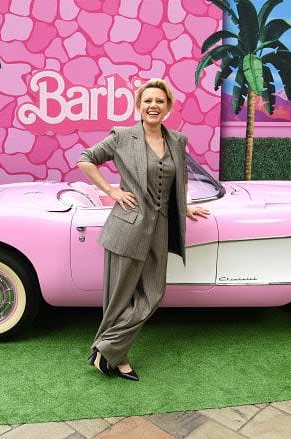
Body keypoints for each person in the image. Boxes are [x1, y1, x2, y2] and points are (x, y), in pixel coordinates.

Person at [76, 78, 209, 381]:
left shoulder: (177, 140)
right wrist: (111, 191)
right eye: (148, 101)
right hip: (128, 227)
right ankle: (116, 358)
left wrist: (183, 207)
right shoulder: (123, 136)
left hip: (160, 228)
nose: (153, 106)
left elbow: (180, 179)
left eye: (159, 101)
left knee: (152, 294)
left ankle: (105, 349)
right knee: (120, 297)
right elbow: (85, 160)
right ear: (138, 106)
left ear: (168, 107)